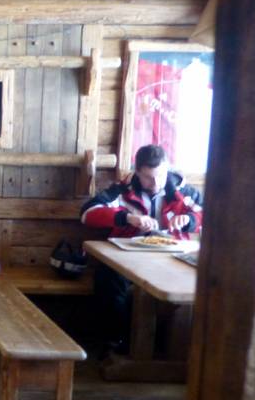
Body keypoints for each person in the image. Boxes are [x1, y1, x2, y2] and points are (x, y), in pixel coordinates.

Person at [80, 144, 203, 353]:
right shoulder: (122, 190)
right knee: (108, 277)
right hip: (129, 256)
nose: (155, 183)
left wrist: (189, 220)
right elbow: (88, 213)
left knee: (196, 281)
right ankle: (116, 342)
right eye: (148, 177)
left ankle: (178, 351)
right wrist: (127, 218)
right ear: (137, 172)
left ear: (167, 169)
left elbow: (210, 217)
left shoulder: (184, 193)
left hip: (173, 257)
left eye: (160, 176)